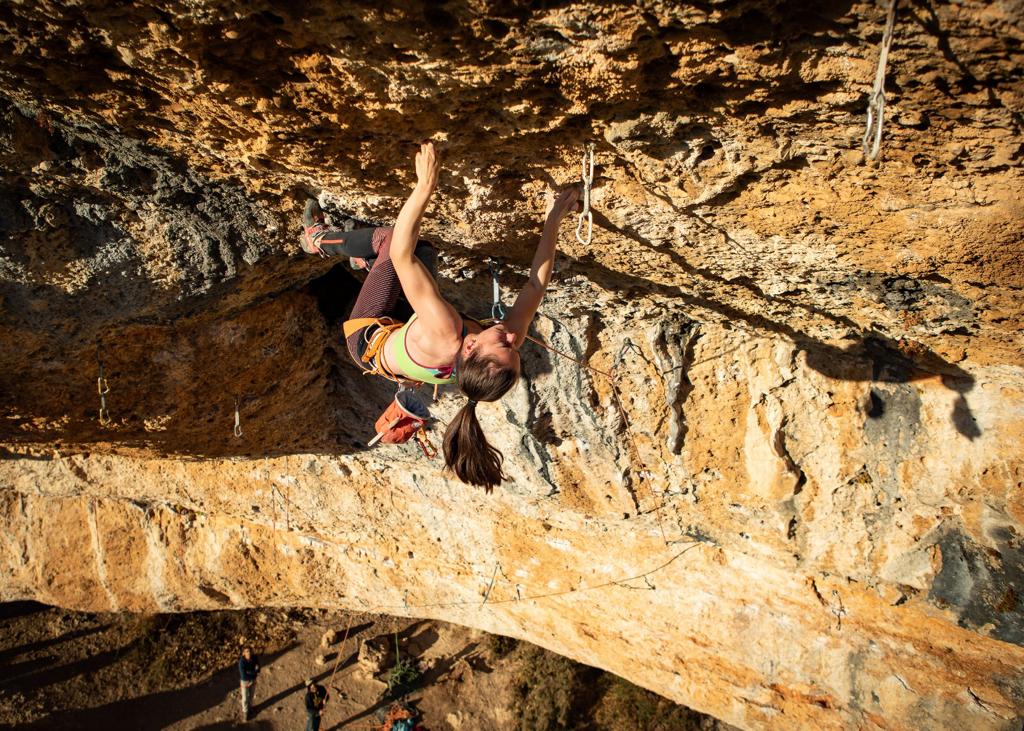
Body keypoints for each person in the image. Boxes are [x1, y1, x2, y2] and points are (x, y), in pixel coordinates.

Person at [302, 142, 579, 491]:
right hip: (410, 342)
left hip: (370, 338)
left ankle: (317, 239)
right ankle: (366, 261)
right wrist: (554, 219)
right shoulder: (496, 348)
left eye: (503, 342)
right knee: (424, 250)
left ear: (470, 349)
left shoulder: (447, 330)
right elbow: (535, 288)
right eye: (514, 348)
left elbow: (401, 255)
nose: (511, 336)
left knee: (392, 242)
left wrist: (425, 185)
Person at [238, 646, 260, 720]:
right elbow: (243, 675)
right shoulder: (241, 662)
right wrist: (254, 672)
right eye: (247, 651)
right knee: (244, 698)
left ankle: (250, 708)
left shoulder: (255, 658)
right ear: (243, 653)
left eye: (250, 651)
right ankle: (245, 711)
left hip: (253, 680)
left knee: (251, 696)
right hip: (245, 682)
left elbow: (259, 668)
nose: (249, 653)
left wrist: (252, 673)